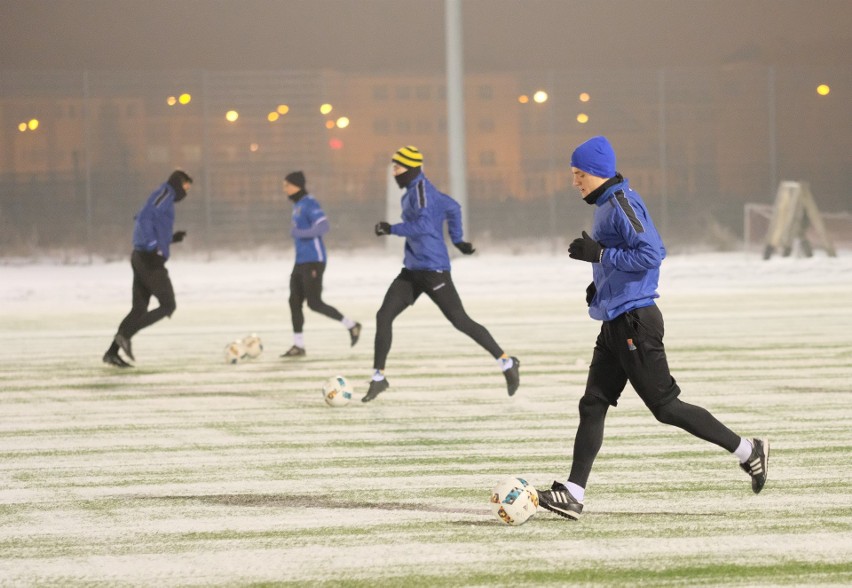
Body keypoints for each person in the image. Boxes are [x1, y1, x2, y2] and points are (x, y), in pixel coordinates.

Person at [537, 136, 769, 520]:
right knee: (592, 403)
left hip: (635, 322)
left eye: (579, 174)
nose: (574, 181)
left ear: (597, 172)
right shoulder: (604, 205)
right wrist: (600, 281)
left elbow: (651, 253)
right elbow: (622, 258)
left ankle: (749, 450)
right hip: (616, 320)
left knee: (665, 407)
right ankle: (573, 493)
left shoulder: (621, 202)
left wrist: (601, 255)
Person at [363, 145, 520, 402]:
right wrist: (457, 240)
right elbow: (452, 206)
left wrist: (392, 228)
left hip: (433, 270)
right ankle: (379, 378)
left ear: (412, 169)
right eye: (393, 166)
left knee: (460, 320)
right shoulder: (415, 191)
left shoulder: (422, 190)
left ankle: (507, 362)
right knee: (384, 316)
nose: (394, 172)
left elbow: (425, 224)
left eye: (398, 167)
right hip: (412, 270)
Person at [102, 170, 192, 367]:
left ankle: (111, 353)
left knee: (139, 309)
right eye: (186, 187)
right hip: (148, 260)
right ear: (178, 183)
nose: (186, 192)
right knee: (168, 305)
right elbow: (143, 218)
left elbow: (152, 221)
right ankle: (125, 336)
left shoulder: (165, 196)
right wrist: (152, 247)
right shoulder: (166, 193)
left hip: (140, 257)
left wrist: (170, 239)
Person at [280, 170, 361, 357]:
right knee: (294, 301)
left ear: (296, 185)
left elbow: (323, 227)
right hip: (300, 262)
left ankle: (352, 325)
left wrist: (300, 233)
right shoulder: (297, 205)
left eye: (286, 185)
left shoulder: (310, 203)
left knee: (314, 303)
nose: (284, 188)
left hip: (314, 261)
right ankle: (298, 346)